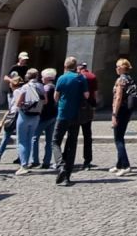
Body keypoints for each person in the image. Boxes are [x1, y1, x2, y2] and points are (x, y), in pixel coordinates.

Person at [52, 57, 86, 185]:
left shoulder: (61, 78)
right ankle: (67, 176)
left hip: (63, 114)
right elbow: (86, 95)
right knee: (71, 144)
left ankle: (60, 166)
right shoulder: (80, 78)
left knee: (55, 142)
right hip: (76, 114)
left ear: (65, 66)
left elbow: (56, 97)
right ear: (75, 66)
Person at [111, 58, 137, 175]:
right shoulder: (129, 79)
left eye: (118, 66)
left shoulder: (121, 80)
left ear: (123, 68)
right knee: (120, 135)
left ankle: (126, 165)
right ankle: (119, 164)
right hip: (127, 110)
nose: (116, 68)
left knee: (118, 138)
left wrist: (114, 114)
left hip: (120, 110)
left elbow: (118, 98)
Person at [15, 69, 46, 172]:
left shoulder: (25, 87)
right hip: (36, 116)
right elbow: (45, 101)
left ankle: (24, 165)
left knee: (22, 141)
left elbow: (18, 103)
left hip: (24, 115)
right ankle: (27, 162)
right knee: (29, 139)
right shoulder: (41, 86)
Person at [0, 73, 24, 164]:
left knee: (7, 136)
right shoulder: (20, 91)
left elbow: (13, 108)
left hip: (15, 115)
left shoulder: (16, 92)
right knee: (17, 137)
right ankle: (19, 156)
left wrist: (2, 122)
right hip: (17, 115)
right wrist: (1, 122)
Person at [77, 63, 99, 169]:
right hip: (88, 107)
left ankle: (67, 158)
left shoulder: (77, 77)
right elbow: (94, 93)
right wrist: (94, 106)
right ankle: (87, 160)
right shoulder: (92, 76)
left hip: (77, 107)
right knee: (87, 135)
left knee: (72, 134)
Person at [37, 68, 59, 169]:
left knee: (34, 137)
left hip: (44, 116)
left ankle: (35, 160)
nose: (41, 79)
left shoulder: (45, 88)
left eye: (43, 77)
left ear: (47, 78)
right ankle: (47, 161)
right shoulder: (55, 87)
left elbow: (41, 102)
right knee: (49, 140)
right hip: (53, 115)